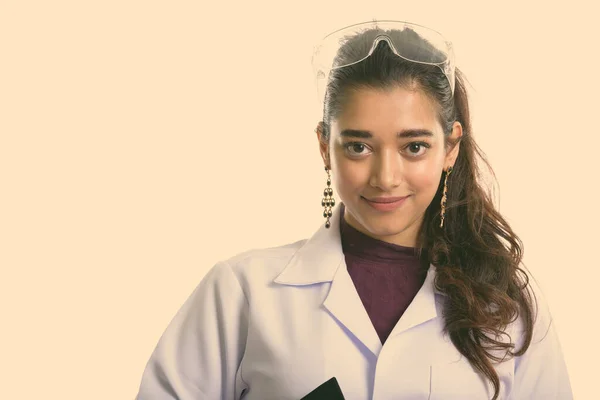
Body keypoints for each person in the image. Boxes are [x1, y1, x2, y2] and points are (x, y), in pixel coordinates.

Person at [134, 20, 573, 400]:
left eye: (414, 146)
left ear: (450, 148)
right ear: (325, 146)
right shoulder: (242, 291)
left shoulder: (509, 303)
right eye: (358, 146)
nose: (385, 176)